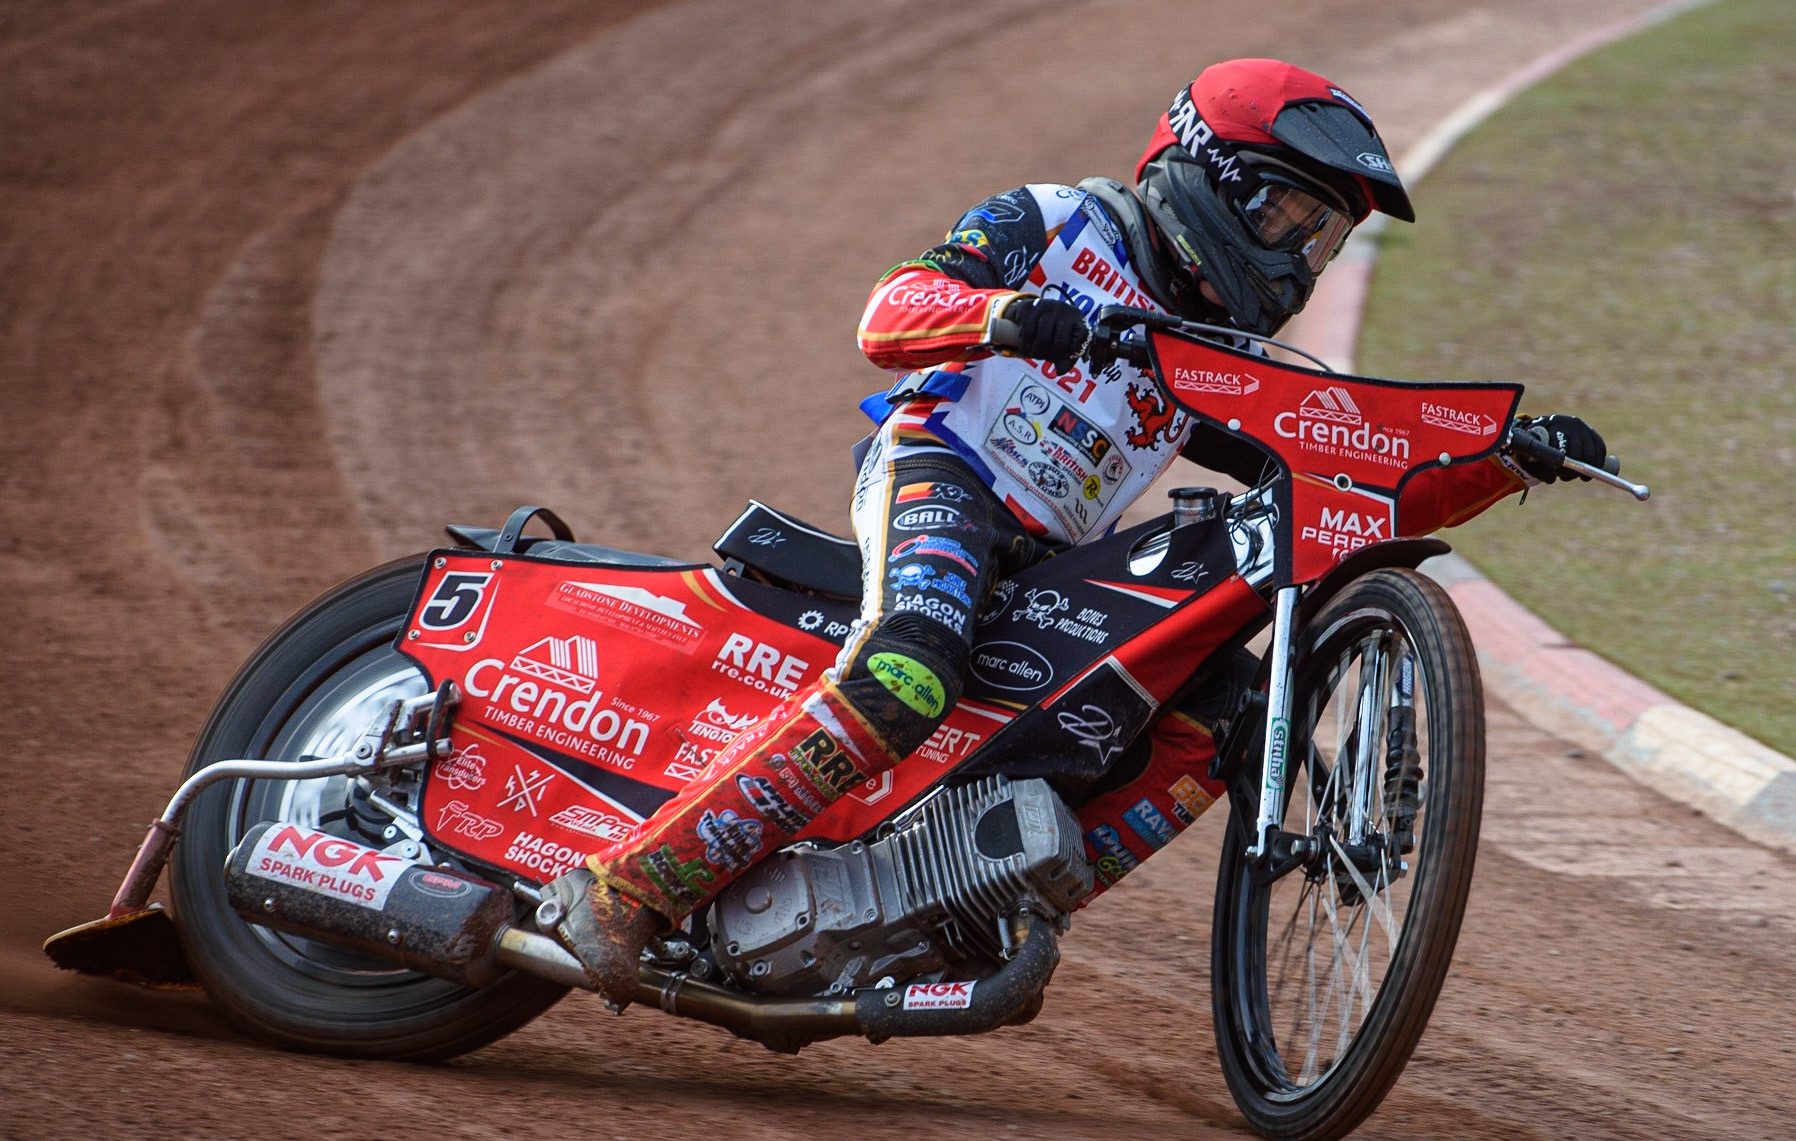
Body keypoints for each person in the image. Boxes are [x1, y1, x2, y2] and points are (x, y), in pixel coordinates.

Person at [541, 58, 1609, 1008]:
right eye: (1289, 218)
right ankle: (632, 884)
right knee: (910, 669)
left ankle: (968, 914)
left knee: (1222, 703)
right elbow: (888, 312)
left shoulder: (1219, 350)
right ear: (1209, 178)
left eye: (1322, 240)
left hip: (1051, 551)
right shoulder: (1056, 221)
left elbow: (1340, 474)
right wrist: (1007, 314)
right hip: (942, 472)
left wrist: (1499, 461)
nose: (1299, 258)